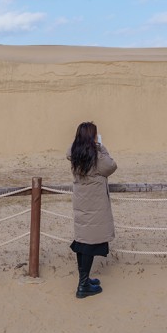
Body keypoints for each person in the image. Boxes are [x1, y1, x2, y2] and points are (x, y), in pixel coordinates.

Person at [68, 121, 117, 298]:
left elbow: (70, 149)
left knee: (82, 241)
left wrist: (83, 142)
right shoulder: (96, 157)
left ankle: (85, 280)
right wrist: (100, 147)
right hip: (94, 207)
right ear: (92, 138)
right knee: (87, 244)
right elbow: (111, 165)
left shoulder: (75, 154)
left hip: (82, 206)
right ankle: (83, 287)